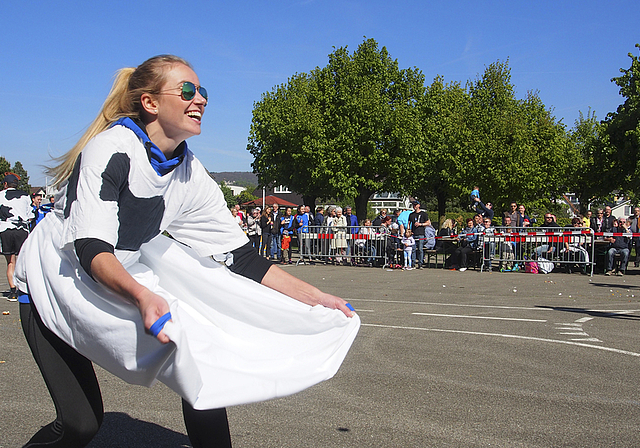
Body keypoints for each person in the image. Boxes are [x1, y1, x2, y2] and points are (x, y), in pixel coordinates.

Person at [14, 55, 359, 448]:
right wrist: (144, 295)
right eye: (188, 91)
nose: (201, 101)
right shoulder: (110, 150)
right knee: (80, 425)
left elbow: (243, 258)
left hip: (115, 276)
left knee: (202, 363)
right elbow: (92, 248)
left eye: (203, 93)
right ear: (150, 103)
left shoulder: (191, 173)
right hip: (56, 283)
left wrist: (317, 298)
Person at [0, 173, 32, 302]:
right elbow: (31, 215)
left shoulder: (1, 195)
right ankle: (25, 287)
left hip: (5, 228)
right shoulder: (25, 196)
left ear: (5, 184)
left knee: (11, 261)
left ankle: (13, 290)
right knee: (23, 260)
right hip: (21, 229)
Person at [407, 201, 429, 269]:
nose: (414, 206)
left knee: (420, 249)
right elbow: (409, 223)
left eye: (415, 205)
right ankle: (413, 263)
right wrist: (409, 230)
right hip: (413, 234)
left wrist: (421, 224)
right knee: (413, 249)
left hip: (421, 234)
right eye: (413, 205)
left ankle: (420, 263)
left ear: (419, 205)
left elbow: (428, 223)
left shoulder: (424, 214)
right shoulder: (411, 215)